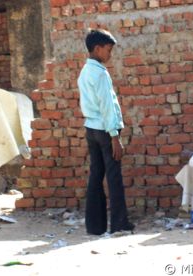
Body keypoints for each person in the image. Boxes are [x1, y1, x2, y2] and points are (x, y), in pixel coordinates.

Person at [77, 29, 134, 235]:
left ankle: (95, 226)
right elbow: (107, 106)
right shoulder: (100, 73)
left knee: (95, 176)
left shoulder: (84, 71)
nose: (110, 55)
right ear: (97, 48)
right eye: (108, 50)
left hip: (91, 128)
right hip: (105, 130)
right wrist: (115, 137)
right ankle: (119, 224)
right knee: (113, 178)